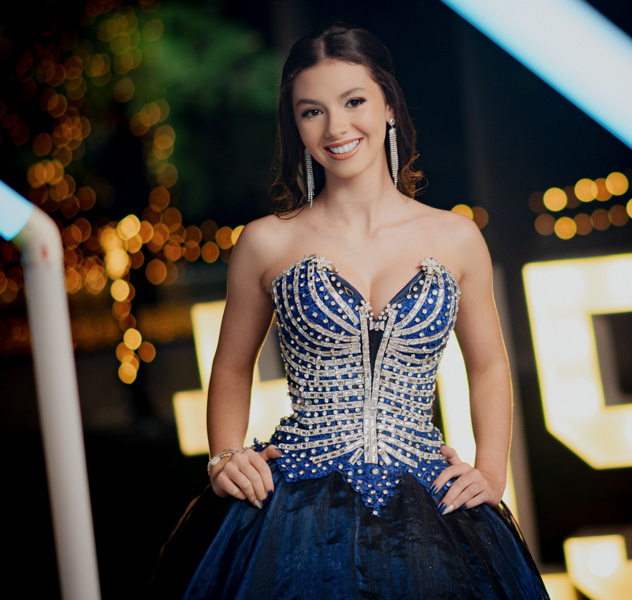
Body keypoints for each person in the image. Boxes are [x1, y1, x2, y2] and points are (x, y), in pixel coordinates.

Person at [151, 24, 548, 599]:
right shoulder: (266, 242)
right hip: (290, 510)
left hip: (432, 509)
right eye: (312, 111)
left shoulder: (456, 237)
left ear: (388, 105)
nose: (336, 128)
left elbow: (487, 364)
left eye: (353, 101)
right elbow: (233, 366)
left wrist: (491, 470)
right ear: (296, 125)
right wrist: (224, 457)